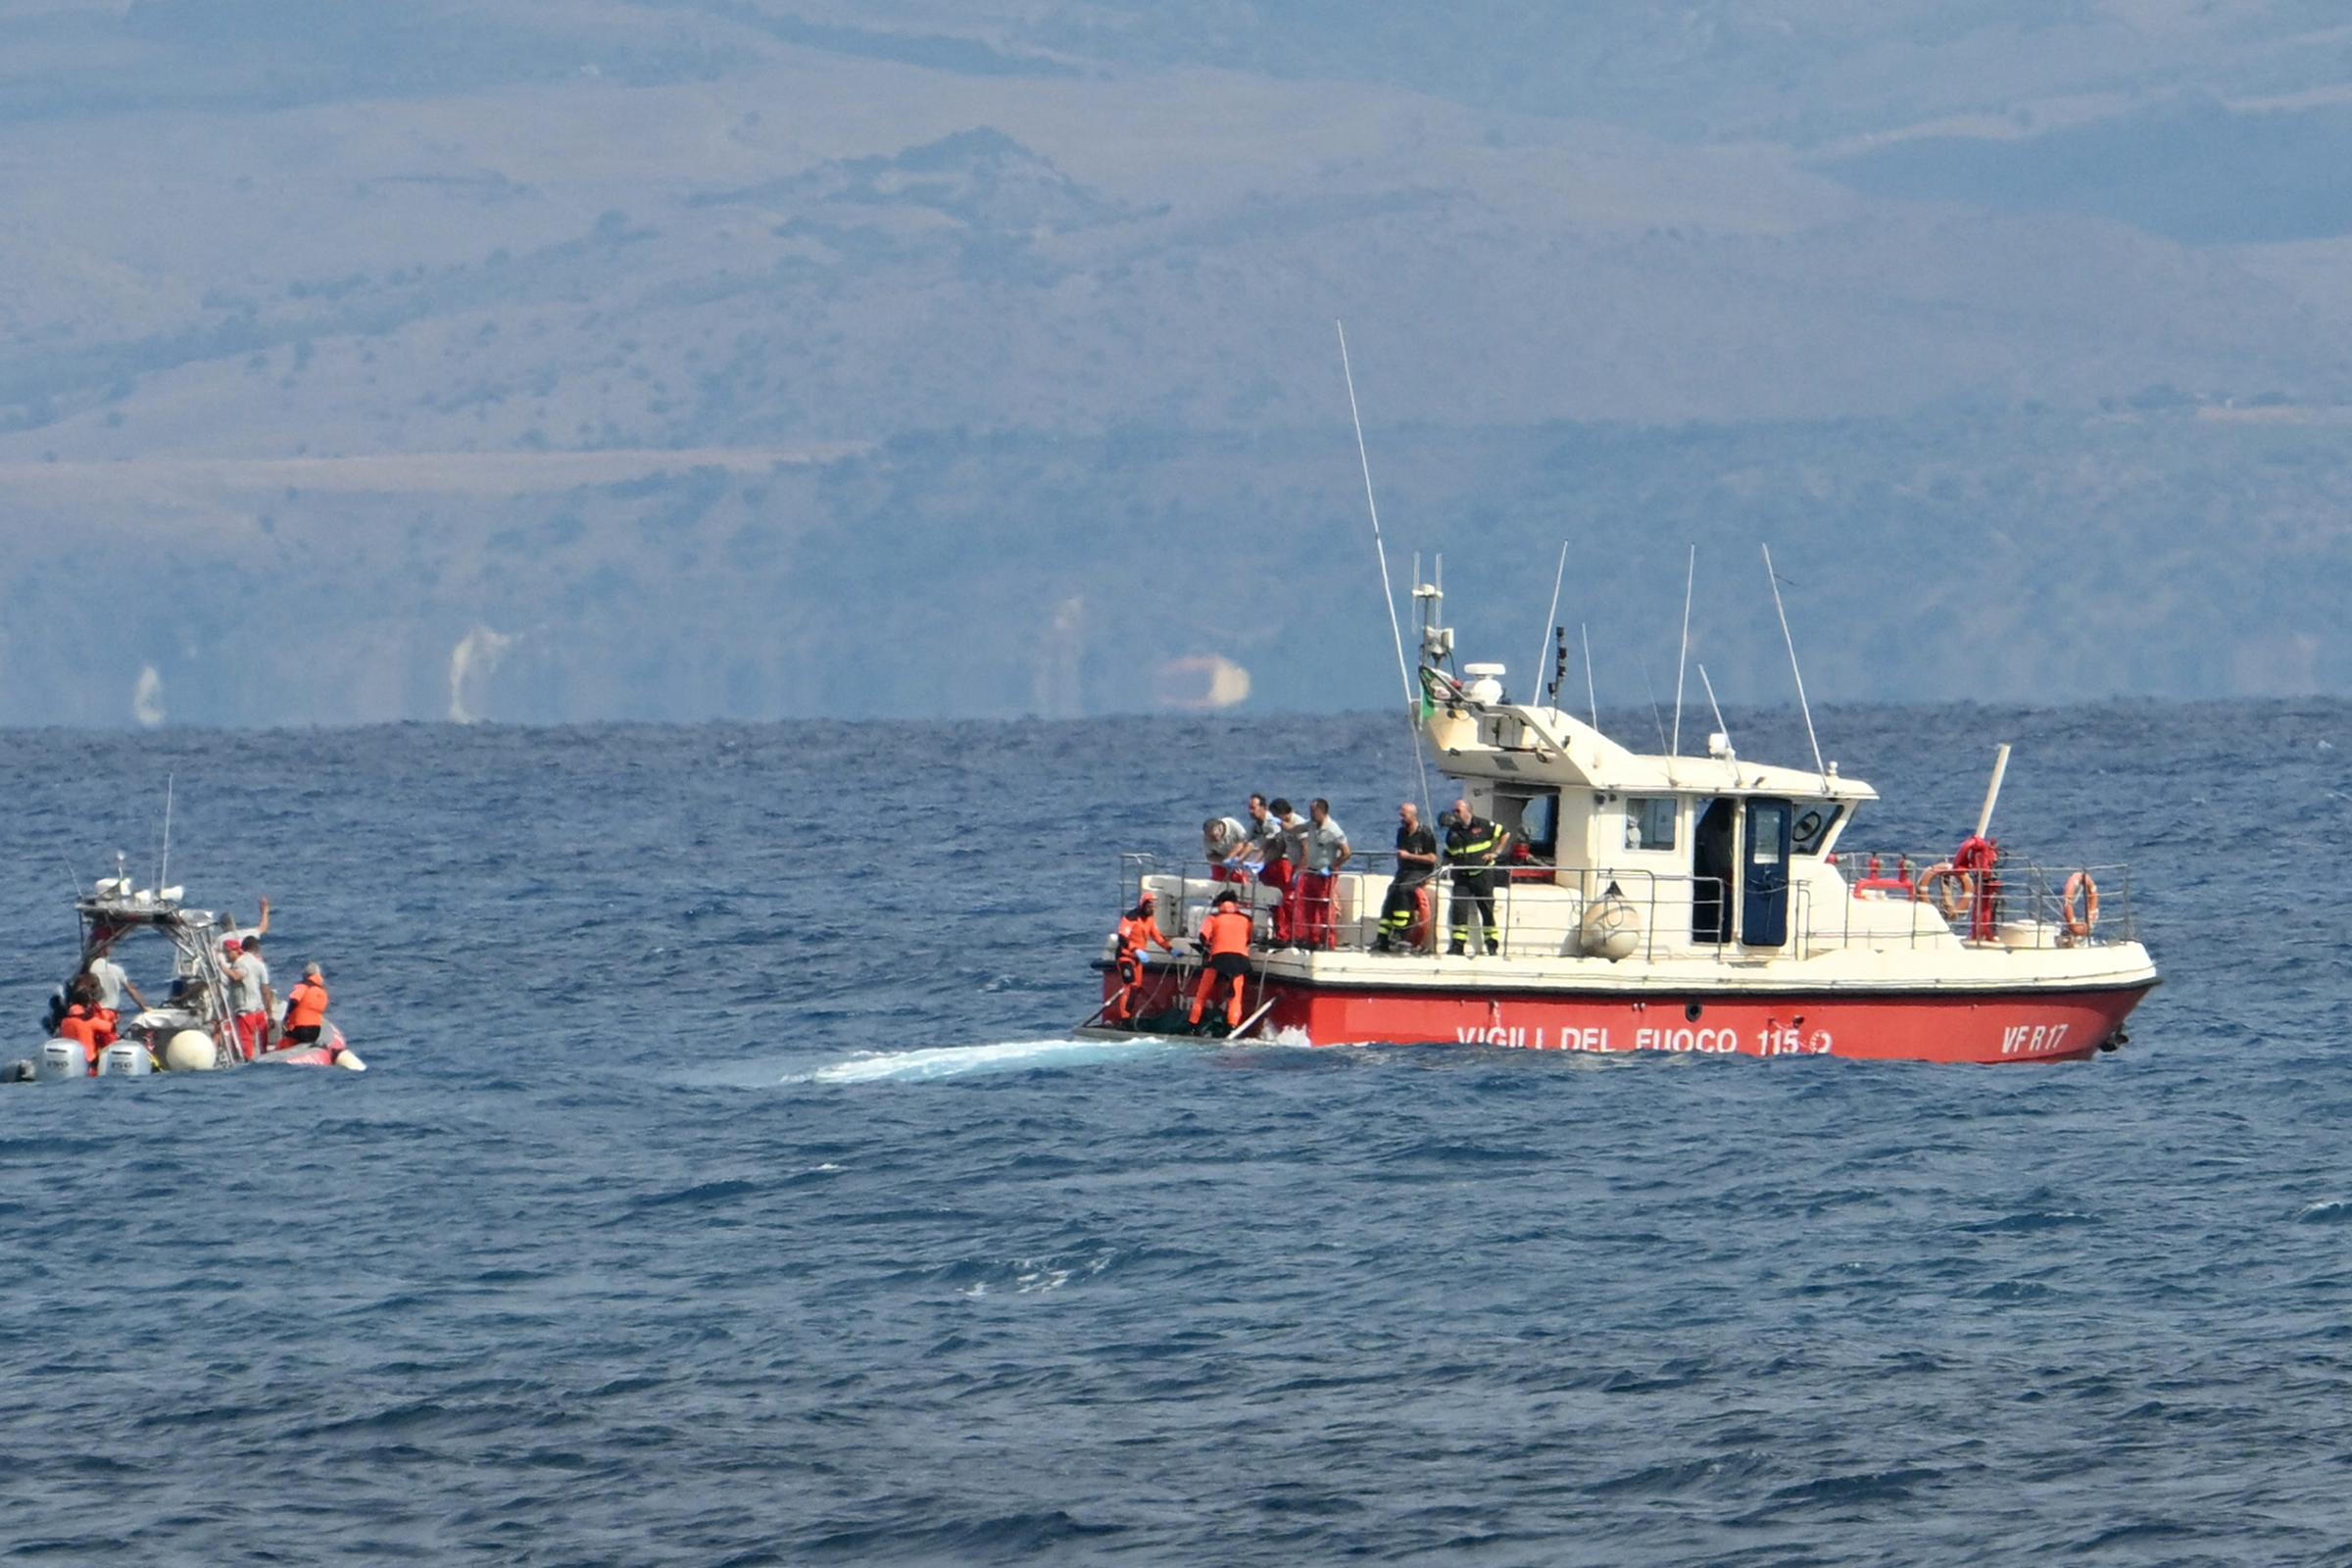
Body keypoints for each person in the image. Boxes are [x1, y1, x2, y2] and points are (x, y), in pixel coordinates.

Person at [1443, 797, 1511, 956]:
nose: (1455, 813)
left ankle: (1491, 945)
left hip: (1482, 875)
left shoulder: (1484, 825)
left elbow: (1505, 833)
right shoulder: (1453, 831)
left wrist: (1496, 852)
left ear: (1468, 811)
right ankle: (1457, 946)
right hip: (1462, 877)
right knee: (1459, 910)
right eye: (1454, 811)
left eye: (1458, 810)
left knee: (1487, 910)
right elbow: (1448, 853)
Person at [1376, 801, 1439, 953]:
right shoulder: (1401, 832)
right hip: (1404, 871)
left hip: (1421, 871)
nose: (1401, 818)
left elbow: (1432, 858)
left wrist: (1409, 856)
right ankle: (1382, 937)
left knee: (1404, 890)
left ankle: (1401, 933)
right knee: (1392, 891)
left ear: (1413, 815)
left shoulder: (1426, 833)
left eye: (1404, 815)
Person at [1189, 891, 1254, 1033]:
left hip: (1217, 959)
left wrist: (1208, 946)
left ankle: (1193, 1025)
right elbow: (1249, 939)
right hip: (1240, 961)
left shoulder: (1213, 918)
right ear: (1236, 904)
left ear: (1220, 904)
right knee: (1235, 997)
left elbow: (1202, 937)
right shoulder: (1247, 919)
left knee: (1202, 995)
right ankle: (1232, 1026)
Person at [1294, 798, 1351, 950]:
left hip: (1325, 874)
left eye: (1313, 811)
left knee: (1325, 908)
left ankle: (1328, 941)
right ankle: (1312, 939)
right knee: (1308, 906)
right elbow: (1297, 829)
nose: (1311, 814)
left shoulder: (1333, 829)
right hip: (1311, 871)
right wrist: (1281, 822)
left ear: (1321, 811)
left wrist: (1332, 867)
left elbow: (1346, 852)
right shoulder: (1311, 825)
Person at [1108, 893, 1174, 1024]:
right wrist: (1135, 949)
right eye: (1150, 906)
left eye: (1154, 906)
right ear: (1143, 905)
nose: (1152, 909)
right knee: (1130, 985)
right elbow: (1122, 938)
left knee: (1137, 987)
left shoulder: (1150, 920)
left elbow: (1157, 936)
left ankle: (1129, 1014)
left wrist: (1170, 949)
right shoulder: (1131, 918)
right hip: (1125, 956)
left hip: (1138, 958)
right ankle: (1125, 1018)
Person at [226, 936, 277, 1061]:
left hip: (245, 1011)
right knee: (264, 1045)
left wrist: (220, 966)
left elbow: (236, 976)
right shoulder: (260, 965)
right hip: (259, 1010)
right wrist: (270, 1015)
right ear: (257, 949)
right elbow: (266, 992)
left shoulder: (240, 963)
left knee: (247, 1047)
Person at [83, 937, 148, 1017]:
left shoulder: (89, 971)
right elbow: (131, 990)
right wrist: (145, 1007)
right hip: (109, 1014)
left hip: (94, 1014)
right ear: (106, 950)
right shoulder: (116, 970)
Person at [281, 962, 330, 1049]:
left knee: (285, 1035)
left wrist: (286, 1018)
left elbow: (294, 1000)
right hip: (315, 1032)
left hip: (300, 1030)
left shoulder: (303, 987)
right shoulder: (323, 992)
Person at [1202, 815, 1256, 883]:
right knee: (1218, 875)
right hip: (1222, 859)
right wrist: (1223, 861)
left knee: (1249, 845)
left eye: (1215, 836)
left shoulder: (1232, 824)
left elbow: (1245, 841)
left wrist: (1234, 858)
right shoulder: (1207, 838)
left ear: (1220, 828)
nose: (1215, 839)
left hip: (1240, 855)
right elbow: (1209, 856)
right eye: (1211, 837)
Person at [57, 1003, 103, 1074]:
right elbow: (109, 1027)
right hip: (88, 1059)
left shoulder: (64, 1022)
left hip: (70, 1058)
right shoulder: (89, 1022)